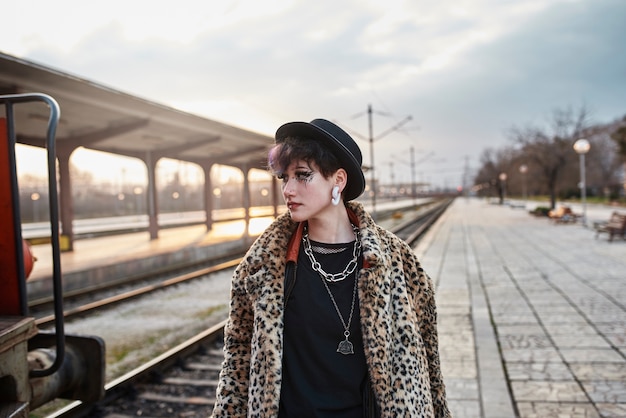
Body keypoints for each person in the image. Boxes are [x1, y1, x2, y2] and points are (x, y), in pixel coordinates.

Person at [211, 119, 450, 417]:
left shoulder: (398, 262)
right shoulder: (261, 266)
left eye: (302, 175)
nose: (288, 189)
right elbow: (236, 362)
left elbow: (429, 364)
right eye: (285, 178)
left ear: (338, 180)